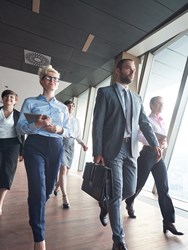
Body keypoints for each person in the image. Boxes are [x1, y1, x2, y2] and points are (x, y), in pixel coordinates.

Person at [92, 58, 162, 250]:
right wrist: (97, 150)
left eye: (133, 70)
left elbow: (144, 124)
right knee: (116, 193)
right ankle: (118, 240)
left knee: (130, 190)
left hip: (131, 150)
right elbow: (97, 123)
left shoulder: (137, 98)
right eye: (128, 68)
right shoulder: (104, 92)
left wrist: (154, 144)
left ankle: (106, 205)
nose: (131, 72)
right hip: (112, 150)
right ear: (118, 70)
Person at [16, 65, 71, 250]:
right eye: (48, 78)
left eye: (55, 79)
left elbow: (69, 131)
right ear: (41, 80)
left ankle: (35, 205)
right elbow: (20, 128)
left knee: (46, 191)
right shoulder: (30, 102)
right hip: (35, 146)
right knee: (39, 190)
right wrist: (36, 124)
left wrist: (59, 129)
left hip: (56, 146)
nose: (52, 81)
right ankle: (39, 239)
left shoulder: (63, 107)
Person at [125, 96, 183, 235]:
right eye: (159, 103)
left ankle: (168, 222)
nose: (162, 105)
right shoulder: (147, 120)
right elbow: (139, 136)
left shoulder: (162, 121)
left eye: (163, 103)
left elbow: (165, 140)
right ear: (152, 105)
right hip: (147, 154)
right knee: (138, 183)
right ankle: (128, 202)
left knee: (163, 187)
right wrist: (154, 141)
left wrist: (163, 144)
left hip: (158, 156)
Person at [53, 100, 88, 208]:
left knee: (66, 171)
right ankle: (65, 197)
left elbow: (77, 135)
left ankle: (58, 185)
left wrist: (83, 144)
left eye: (72, 106)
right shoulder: (60, 117)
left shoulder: (76, 121)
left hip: (71, 145)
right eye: (68, 105)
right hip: (60, 142)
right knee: (63, 169)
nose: (70, 107)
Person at [0, 89, 24, 216]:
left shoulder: (19, 115)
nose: (9, 98)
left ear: (15, 101)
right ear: (2, 99)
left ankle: (0, 203)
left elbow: (22, 133)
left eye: (11, 97)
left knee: (7, 172)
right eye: (6, 96)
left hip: (13, 145)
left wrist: (22, 152)